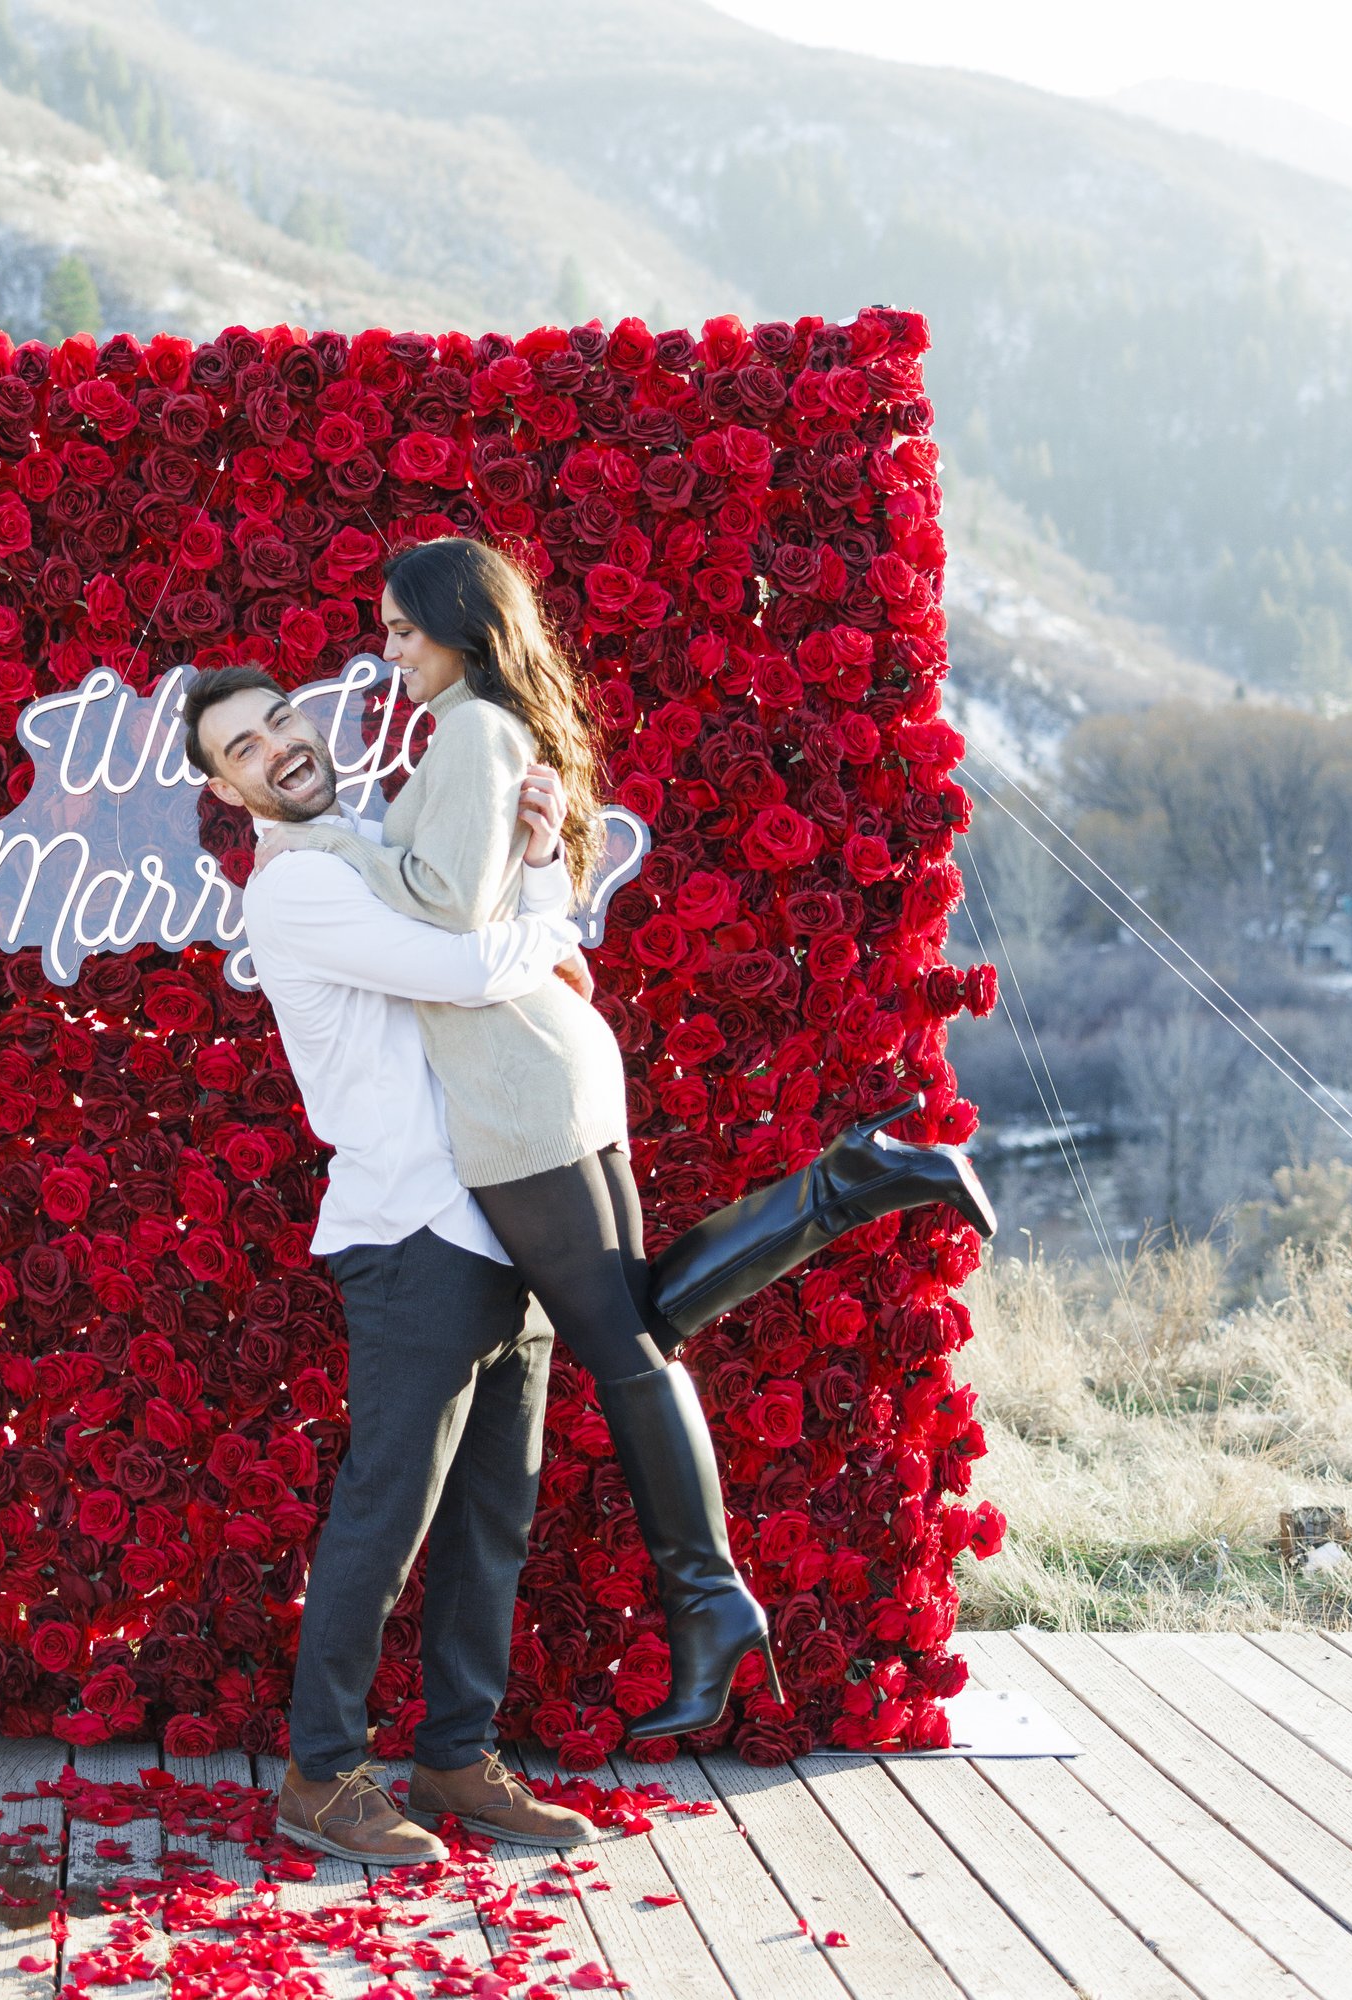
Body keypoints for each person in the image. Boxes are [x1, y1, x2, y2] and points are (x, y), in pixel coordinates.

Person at [239, 536, 995, 1744]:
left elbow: (448, 912)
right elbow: (466, 892)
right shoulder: (479, 735)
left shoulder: (472, 731)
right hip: (546, 1060)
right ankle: (849, 1185)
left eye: (397, 627)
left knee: (630, 1347)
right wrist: (506, 866)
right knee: (638, 1323)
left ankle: (711, 1602)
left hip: (517, 1083)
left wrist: (354, 852)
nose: (383, 651)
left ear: (456, 625)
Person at [184, 663, 598, 1863]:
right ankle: (319, 1773)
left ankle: (457, 1755)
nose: (276, 749)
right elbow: (475, 970)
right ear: (226, 788)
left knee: (490, 1514)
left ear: (313, 725)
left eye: (282, 723)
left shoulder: (371, 844)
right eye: (244, 748)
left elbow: (505, 945)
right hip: (412, 1226)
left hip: (501, 1211)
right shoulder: (301, 884)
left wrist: (533, 857)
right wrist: (540, 929)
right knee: (388, 1510)